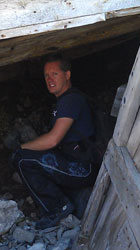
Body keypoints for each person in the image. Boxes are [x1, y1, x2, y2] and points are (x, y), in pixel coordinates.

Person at [12, 55, 96, 228]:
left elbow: (53, 140)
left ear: (67, 75)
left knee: (21, 159)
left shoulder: (70, 100)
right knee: (28, 156)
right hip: (77, 162)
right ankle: (64, 201)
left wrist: (20, 147)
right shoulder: (65, 100)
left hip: (82, 167)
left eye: (55, 74)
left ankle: (58, 208)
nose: (50, 79)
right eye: (46, 75)